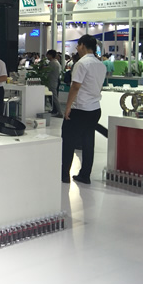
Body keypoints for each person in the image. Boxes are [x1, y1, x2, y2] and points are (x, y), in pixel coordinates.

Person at [61, 34, 106, 185]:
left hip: (80, 108)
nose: (77, 48)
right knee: (88, 142)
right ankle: (85, 175)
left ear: (83, 46)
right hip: (95, 108)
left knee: (68, 141)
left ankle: (64, 175)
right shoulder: (101, 65)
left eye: (78, 45)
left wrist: (68, 106)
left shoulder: (81, 63)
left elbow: (75, 86)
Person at [46, 49, 63, 117]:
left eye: (47, 55)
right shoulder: (56, 62)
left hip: (52, 82)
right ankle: (55, 110)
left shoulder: (52, 63)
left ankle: (60, 112)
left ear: (50, 55)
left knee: (55, 98)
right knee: (53, 98)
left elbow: (47, 72)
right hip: (55, 81)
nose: (47, 56)